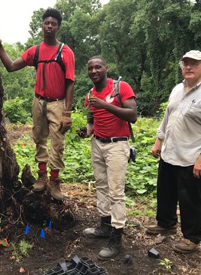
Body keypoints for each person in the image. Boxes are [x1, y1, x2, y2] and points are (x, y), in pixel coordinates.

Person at [146, 50, 201, 254]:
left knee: (190, 199)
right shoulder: (177, 89)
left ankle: (191, 237)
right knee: (165, 192)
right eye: (185, 63)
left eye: (194, 64)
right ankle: (166, 223)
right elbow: (167, 117)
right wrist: (158, 141)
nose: (188, 67)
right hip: (170, 152)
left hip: (192, 157)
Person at [0, 8, 75, 200]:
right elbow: (11, 67)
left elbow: (70, 82)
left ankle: (55, 181)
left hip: (58, 103)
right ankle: (41, 177)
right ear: (42, 25)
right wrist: (0, 49)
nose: (49, 26)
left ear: (58, 27)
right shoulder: (37, 51)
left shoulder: (65, 52)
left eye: (53, 24)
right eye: (46, 23)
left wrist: (67, 112)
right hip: (38, 101)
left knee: (57, 142)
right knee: (39, 138)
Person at [80, 56, 137, 260]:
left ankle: (116, 237)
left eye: (98, 67)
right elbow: (92, 119)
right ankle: (104, 225)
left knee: (116, 192)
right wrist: (87, 131)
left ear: (106, 68)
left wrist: (106, 105)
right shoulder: (90, 94)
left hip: (117, 145)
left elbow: (132, 115)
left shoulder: (120, 87)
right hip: (98, 143)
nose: (94, 71)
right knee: (101, 186)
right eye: (90, 68)